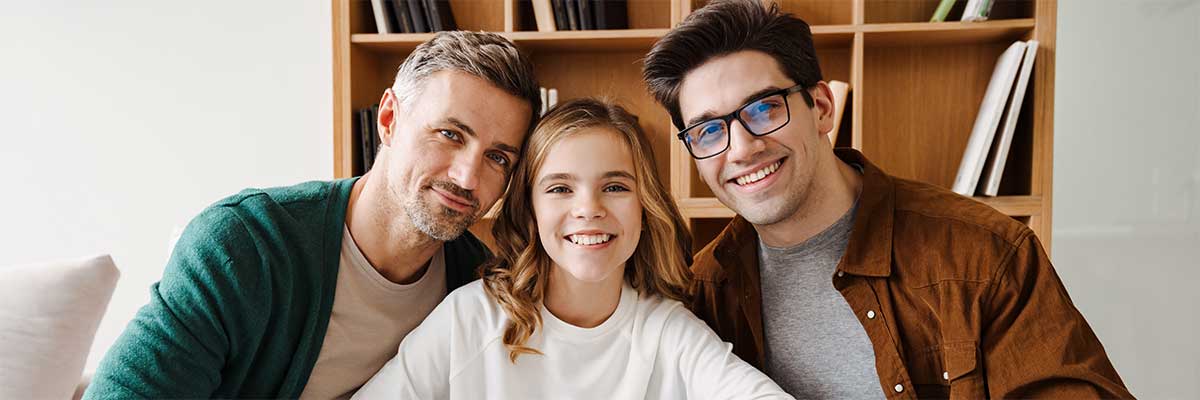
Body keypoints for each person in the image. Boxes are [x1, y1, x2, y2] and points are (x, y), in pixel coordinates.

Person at [641, 0, 1133, 398]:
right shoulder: (703, 290)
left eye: (765, 108)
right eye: (709, 131)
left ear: (821, 106)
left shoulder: (984, 254)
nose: (743, 148)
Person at [83, 31, 541, 399]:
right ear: (388, 120)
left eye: (498, 158)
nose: (467, 177)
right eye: (449, 134)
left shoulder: (480, 287)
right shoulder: (244, 244)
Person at [353, 98, 791, 400]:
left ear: (645, 205)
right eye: (561, 188)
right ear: (531, 210)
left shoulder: (668, 333)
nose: (589, 210)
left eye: (615, 186)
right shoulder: (469, 320)